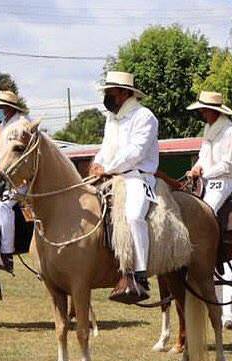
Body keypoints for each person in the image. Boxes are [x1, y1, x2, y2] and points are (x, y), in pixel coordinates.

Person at [90, 71, 159, 304]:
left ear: (124, 93)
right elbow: (105, 146)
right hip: (110, 174)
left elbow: (135, 152)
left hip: (137, 178)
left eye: (110, 92)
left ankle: (140, 275)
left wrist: (108, 167)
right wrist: (97, 162)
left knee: (133, 216)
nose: (107, 97)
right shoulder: (112, 117)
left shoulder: (144, 116)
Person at [186, 91, 232, 329]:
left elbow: (227, 164)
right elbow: (203, 157)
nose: (201, 113)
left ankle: (228, 314)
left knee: (205, 213)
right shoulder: (209, 130)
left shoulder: (230, 131)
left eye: (203, 110)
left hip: (226, 181)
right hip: (209, 180)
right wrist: (196, 169)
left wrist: (204, 172)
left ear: (214, 110)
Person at [0, 90, 31, 273]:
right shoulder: (1, 127)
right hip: (1, 177)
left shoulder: (22, 125)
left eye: (0, 107)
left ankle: (7, 253)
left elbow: (20, 155)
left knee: (3, 205)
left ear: (9, 108)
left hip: (21, 179)